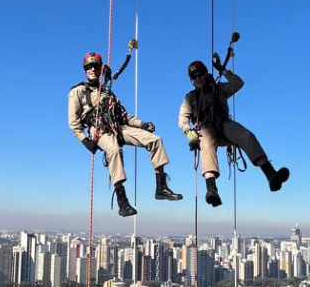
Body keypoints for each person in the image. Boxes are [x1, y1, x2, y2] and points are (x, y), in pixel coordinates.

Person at [68, 52, 182, 217]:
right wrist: (84, 140)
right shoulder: (78, 91)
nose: (92, 70)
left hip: (118, 126)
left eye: (96, 67)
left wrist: (142, 124)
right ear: (85, 70)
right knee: (114, 150)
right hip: (99, 130)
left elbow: (125, 116)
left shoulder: (108, 92)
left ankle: (161, 187)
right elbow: (73, 122)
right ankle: (122, 201)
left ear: (100, 70)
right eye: (89, 67)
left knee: (155, 140)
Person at [178, 53, 290, 207]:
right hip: (206, 127)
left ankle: (271, 175)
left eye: (200, 75)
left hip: (223, 124)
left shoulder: (218, 88)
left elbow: (238, 83)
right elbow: (183, 117)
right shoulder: (190, 98)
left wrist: (223, 70)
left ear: (206, 74)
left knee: (246, 135)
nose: (197, 79)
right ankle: (211, 190)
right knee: (206, 144)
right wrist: (188, 131)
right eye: (194, 77)